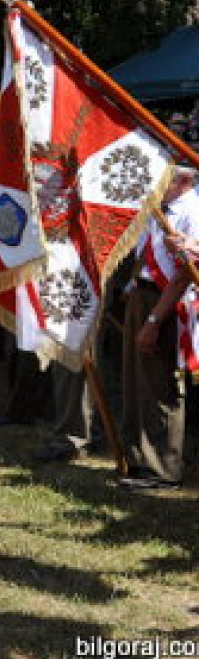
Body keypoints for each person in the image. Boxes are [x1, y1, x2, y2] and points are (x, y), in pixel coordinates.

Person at [117, 165, 199, 491]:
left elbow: (183, 275)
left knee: (162, 386)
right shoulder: (157, 208)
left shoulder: (192, 210)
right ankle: (139, 458)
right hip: (143, 295)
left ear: (183, 180)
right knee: (137, 382)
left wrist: (153, 321)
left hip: (168, 305)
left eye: (164, 177)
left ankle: (164, 468)